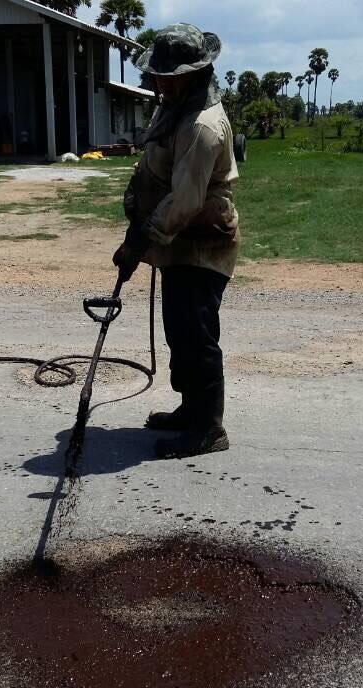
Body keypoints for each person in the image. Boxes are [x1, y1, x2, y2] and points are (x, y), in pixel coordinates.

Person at [112, 23, 240, 460]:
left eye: (168, 75)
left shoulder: (202, 126)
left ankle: (209, 428)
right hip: (177, 239)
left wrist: (141, 240)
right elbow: (154, 166)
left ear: (195, 73)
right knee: (179, 330)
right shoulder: (173, 107)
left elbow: (185, 200)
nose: (159, 81)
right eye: (158, 74)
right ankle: (191, 409)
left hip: (203, 240)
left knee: (196, 334)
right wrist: (137, 213)